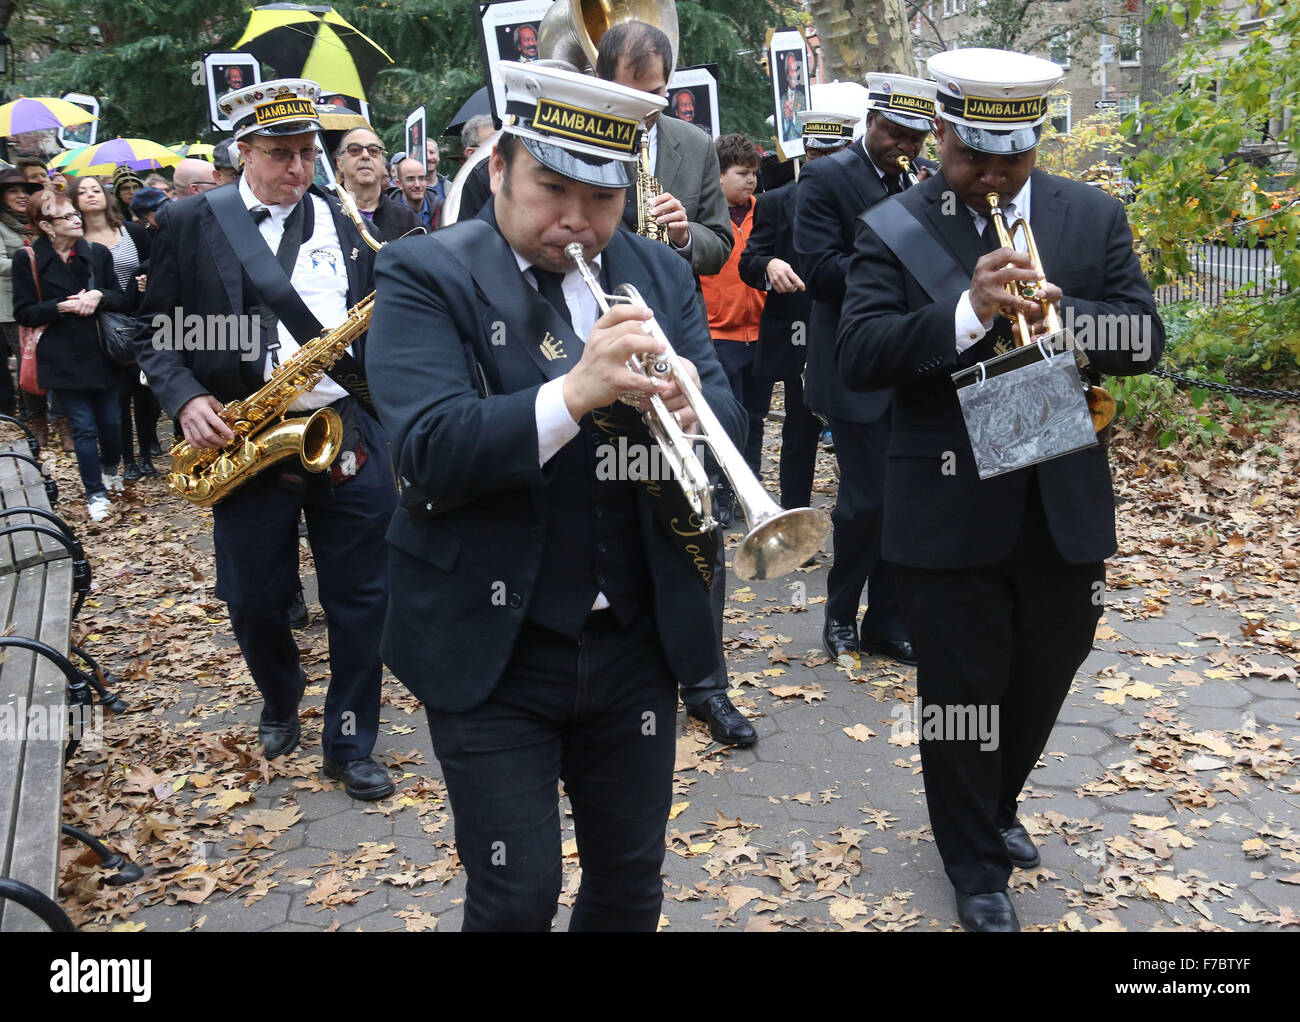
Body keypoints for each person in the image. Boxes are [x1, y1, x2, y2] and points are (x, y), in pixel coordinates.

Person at [367, 62, 746, 931]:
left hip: (635, 639)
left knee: (629, 882)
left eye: (603, 198)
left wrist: (691, 406)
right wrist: (574, 393)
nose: (577, 219)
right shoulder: (425, 272)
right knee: (515, 895)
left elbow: (726, 416)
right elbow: (428, 451)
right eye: (552, 187)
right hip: (495, 642)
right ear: (499, 167)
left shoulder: (658, 270)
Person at [836, 48, 1165, 931]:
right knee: (960, 693)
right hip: (948, 504)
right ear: (939, 134)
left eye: (1009, 160)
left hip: (1059, 495)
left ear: (1037, 145)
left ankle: (995, 801)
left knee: (1044, 672)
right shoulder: (892, 224)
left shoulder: (1088, 214)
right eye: (970, 156)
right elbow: (860, 358)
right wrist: (968, 315)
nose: (988, 177)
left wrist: (1071, 319)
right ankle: (973, 862)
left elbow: (1145, 336)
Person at [135, 79, 397, 799]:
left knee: (362, 599)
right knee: (253, 598)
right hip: (242, 437)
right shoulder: (192, 223)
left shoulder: (345, 223)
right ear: (242, 152)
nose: (298, 169)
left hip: (339, 429)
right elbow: (156, 332)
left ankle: (350, 740)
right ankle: (281, 698)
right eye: (280, 154)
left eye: (309, 154)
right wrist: (185, 398)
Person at [794, 73, 936, 669]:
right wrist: (889, 264)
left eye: (915, 137)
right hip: (853, 366)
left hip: (911, 364)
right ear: (870, 122)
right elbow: (816, 268)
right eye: (893, 132)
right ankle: (839, 615)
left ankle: (888, 622)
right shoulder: (827, 176)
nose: (903, 145)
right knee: (865, 502)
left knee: (907, 502)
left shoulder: (920, 184)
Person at [739, 110, 856, 512]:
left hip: (856, 328)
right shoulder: (776, 202)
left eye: (834, 154)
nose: (822, 164)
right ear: (805, 153)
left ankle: (862, 515)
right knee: (801, 429)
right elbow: (748, 262)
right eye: (814, 154)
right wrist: (769, 267)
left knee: (858, 427)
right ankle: (794, 518)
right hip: (800, 332)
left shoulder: (866, 197)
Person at [12, 189, 131, 522]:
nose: (76, 219)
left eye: (75, 214)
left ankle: (110, 468)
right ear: (46, 226)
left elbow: (121, 299)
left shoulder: (95, 253)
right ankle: (94, 492)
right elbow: (24, 312)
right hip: (60, 355)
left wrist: (98, 295)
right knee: (82, 427)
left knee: (112, 422)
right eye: (66, 216)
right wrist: (60, 306)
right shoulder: (29, 259)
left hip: (100, 350)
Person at [72, 175, 159, 481]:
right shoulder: (75, 240)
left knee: (147, 390)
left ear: (106, 196)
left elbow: (155, 263)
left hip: (142, 315)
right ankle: (128, 459)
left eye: (95, 189)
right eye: (82, 192)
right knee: (119, 395)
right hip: (105, 323)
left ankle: (147, 454)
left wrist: (149, 283)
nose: (90, 195)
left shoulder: (132, 231)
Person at [0, 169, 45, 433]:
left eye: (24, 191)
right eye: (13, 191)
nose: (21, 196)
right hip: (13, 308)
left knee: (50, 358)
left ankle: (61, 420)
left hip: (46, 301)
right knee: (28, 363)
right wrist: (29, 261)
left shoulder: (37, 221)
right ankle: (37, 421)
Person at [333, 127, 422, 241]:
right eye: (354, 150)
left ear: (383, 165)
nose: (365, 155)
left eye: (374, 151)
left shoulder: (408, 222)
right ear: (339, 163)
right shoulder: (322, 211)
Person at [392, 157, 437, 233]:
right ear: (399, 184)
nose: (417, 185)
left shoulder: (440, 210)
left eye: (421, 178)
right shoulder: (389, 215)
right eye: (410, 179)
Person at [425, 139, 450, 226]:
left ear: (438, 157)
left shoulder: (450, 187)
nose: (428, 157)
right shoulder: (414, 188)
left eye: (432, 152)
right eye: (424, 153)